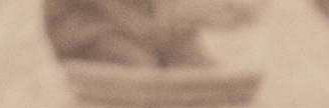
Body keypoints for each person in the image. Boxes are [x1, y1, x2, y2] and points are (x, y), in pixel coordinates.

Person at [45, 0, 210, 70]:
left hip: (138, 22)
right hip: (86, 27)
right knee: (142, 67)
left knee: (195, 59)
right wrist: (140, 26)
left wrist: (164, 23)